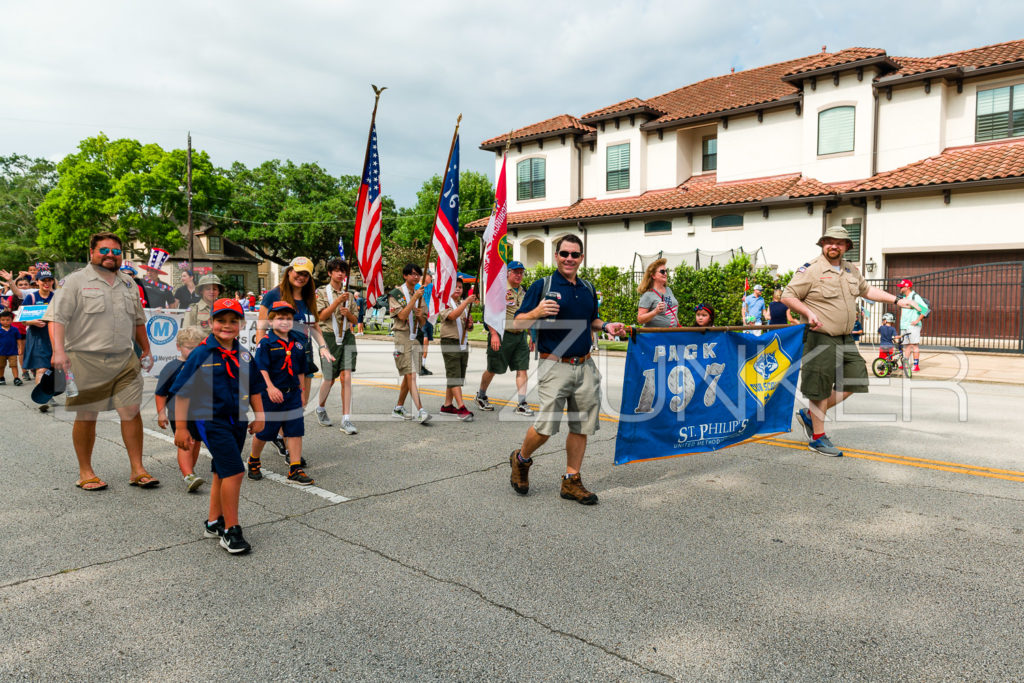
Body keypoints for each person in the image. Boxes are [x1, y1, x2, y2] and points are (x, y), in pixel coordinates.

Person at [508, 235, 626, 505]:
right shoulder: (542, 286)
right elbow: (517, 324)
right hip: (554, 364)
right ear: (556, 256)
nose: (569, 259)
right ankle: (521, 459)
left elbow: (591, 319)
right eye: (564, 253)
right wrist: (536, 311)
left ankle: (571, 481)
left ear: (581, 258)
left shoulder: (587, 287)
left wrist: (606, 325)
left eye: (574, 254)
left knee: (581, 425)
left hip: (585, 364)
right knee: (546, 427)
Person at [782, 226, 914, 457]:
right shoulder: (811, 270)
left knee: (855, 379)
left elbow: (867, 290)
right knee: (820, 389)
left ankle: (810, 416)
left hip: (845, 338)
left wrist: (896, 300)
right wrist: (809, 314)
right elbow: (788, 295)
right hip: (819, 337)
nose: (834, 246)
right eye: (830, 241)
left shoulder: (850, 269)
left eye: (840, 242)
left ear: (846, 247)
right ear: (823, 244)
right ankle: (818, 438)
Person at [48, 232, 158, 491]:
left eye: (116, 251)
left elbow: (138, 321)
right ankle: (86, 472)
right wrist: (58, 352)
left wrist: (147, 350)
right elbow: (57, 319)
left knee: (131, 412)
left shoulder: (129, 284)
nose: (111, 255)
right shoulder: (73, 282)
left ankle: (137, 469)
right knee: (87, 415)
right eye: (104, 250)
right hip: (85, 359)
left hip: (124, 360)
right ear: (92, 252)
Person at [171, 298, 265, 555]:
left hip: (238, 420)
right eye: (220, 320)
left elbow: (255, 385)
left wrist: (260, 415)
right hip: (211, 420)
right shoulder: (202, 353)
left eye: (233, 321)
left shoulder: (244, 353)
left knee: (221, 472)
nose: (226, 326)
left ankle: (214, 522)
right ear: (211, 323)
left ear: (241, 324)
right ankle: (231, 530)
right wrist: (181, 428)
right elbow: (181, 392)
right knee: (235, 471)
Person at [256, 257, 335, 456]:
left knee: (299, 404)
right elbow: (262, 326)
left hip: (302, 358)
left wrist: (323, 347)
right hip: (278, 359)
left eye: (305, 274)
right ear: (289, 271)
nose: (301, 277)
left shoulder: (309, 298)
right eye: (298, 272)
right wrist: (261, 349)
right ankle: (285, 445)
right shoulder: (274, 294)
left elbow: (314, 325)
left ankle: (284, 440)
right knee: (281, 404)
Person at [249, 301, 313, 485]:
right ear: (270, 321)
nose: (284, 321)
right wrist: (269, 387)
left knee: (295, 430)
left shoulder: (298, 343)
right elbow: (261, 369)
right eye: (279, 318)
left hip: (292, 394)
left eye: (288, 318)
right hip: (271, 394)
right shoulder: (266, 343)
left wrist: (301, 392)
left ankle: (295, 468)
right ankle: (254, 460)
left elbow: (301, 370)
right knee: (265, 431)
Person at [475, 261, 534, 415]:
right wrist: (494, 334)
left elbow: (527, 315)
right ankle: (481, 395)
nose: (519, 275)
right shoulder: (499, 290)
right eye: (515, 272)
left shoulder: (523, 292)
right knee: (493, 368)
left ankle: (522, 402)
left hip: (520, 336)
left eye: (521, 272)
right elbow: (489, 313)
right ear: (507, 273)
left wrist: (531, 335)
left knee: (522, 368)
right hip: (502, 335)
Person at [154, 326, 206, 492]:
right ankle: (188, 474)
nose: (192, 351)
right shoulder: (171, 368)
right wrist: (161, 413)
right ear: (178, 346)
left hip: (200, 412)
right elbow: (160, 393)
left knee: (197, 442)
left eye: (197, 348)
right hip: (179, 413)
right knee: (185, 443)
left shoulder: (204, 366)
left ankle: (191, 470)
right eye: (188, 347)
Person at [314, 259, 360, 434]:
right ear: (330, 273)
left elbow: (355, 320)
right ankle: (320, 407)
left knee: (346, 376)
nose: (340, 274)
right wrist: (336, 302)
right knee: (329, 378)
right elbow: (321, 317)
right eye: (337, 271)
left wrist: (348, 313)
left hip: (347, 336)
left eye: (343, 271)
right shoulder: (321, 292)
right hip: (328, 337)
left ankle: (346, 419)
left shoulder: (349, 295)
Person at [388, 263, 431, 424]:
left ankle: (398, 407)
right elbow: (402, 316)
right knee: (411, 374)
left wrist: (420, 315)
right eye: (412, 274)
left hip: (415, 337)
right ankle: (420, 410)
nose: (415, 276)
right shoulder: (396, 294)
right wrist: (414, 299)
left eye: (417, 274)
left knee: (408, 375)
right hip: (402, 336)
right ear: (405, 276)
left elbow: (423, 321)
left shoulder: (419, 294)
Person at [18, 269, 57, 412]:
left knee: (54, 367)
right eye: (43, 281)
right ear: (37, 282)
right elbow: (22, 321)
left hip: (54, 336)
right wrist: (33, 322)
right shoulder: (31, 298)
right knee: (42, 367)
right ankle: (42, 398)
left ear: (52, 281)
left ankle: (47, 392)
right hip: (37, 336)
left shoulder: (57, 297)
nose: (47, 283)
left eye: (49, 280)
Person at [438, 278, 476, 421]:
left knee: (456, 374)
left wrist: (470, 324)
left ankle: (447, 405)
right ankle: (461, 407)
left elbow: (468, 327)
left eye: (460, 287)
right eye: (455, 287)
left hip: (462, 342)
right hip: (450, 341)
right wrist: (466, 302)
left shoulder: (462, 305)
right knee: (454, 374)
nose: (458, 289)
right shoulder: (445, 302)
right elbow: (452, 316)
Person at [637, 258, 679, 327]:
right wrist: (655, 311)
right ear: (653, 275)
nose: (665, 273)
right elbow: (640, 319)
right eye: (662, 271)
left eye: (666, 271)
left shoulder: (669, 290)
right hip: (655, 335)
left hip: (671, 334)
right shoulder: (648, 295)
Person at [897, 279, 928, 373]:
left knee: (913, 345)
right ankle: (905, 364)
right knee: (906, 346)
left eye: (902, 286)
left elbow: (925, 310)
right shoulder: (903, 297)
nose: (900, 288)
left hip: (913, 326)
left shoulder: (915, 296)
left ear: (907, 287)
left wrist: (917, 321)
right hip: (905, 325)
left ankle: (916, 366)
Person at [0, 309, 24, 386]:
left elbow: (18, 339)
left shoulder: (14, 329)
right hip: (1, 352)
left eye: (8, 320)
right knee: (1, 366)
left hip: (12, 351)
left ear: (12, 320)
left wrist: (20, 348)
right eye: (3, 320)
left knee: (14, 365)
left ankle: (16, 378)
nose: (5, 322)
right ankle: (1, 378)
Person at [418, 272, 435, 376]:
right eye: (430, 277)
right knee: (423, 339)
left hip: (430, 315)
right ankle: (419, 365)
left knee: (427, 339)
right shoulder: (417, 287)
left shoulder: (432, 286)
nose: (431, 279)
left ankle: (423, 364)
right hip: (422, 316)